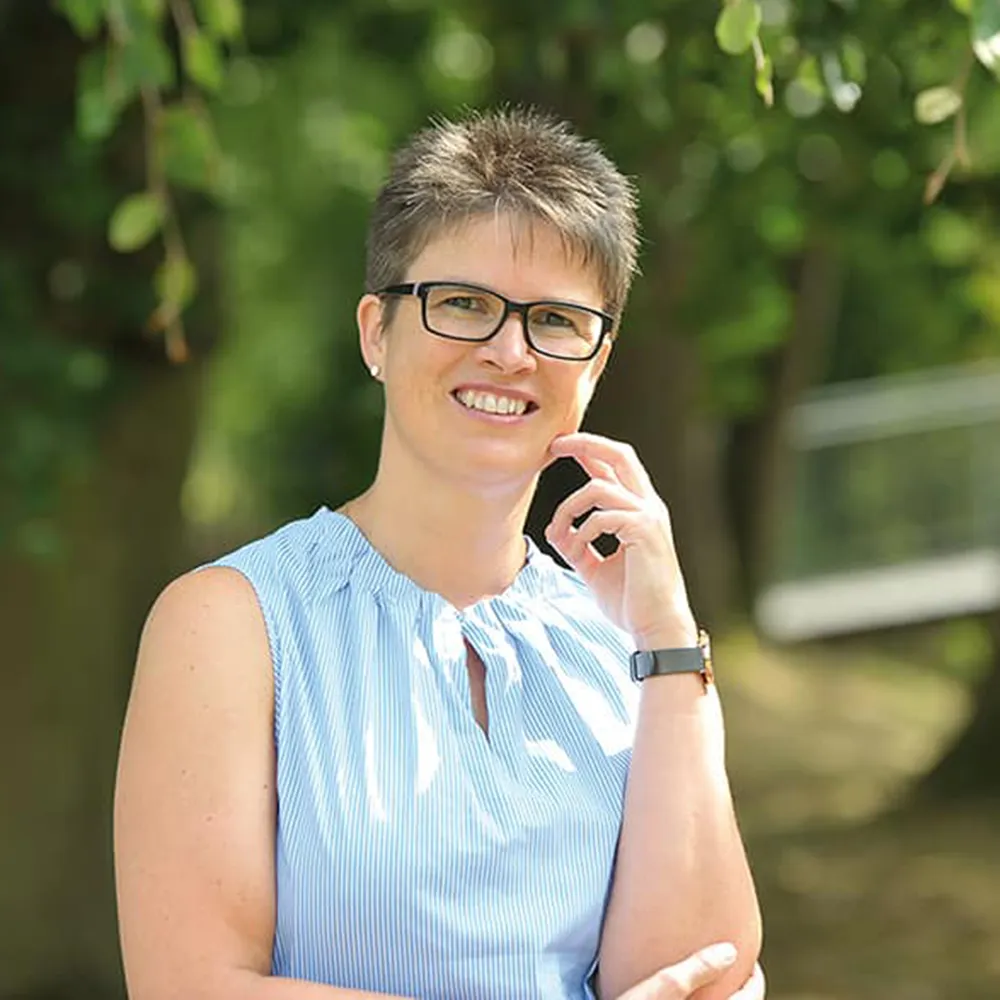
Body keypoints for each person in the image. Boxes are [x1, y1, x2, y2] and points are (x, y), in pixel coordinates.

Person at [113, 108, 763, 1000]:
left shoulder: (630, 650)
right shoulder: (231, 624)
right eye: (463, 304)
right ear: (377, 332)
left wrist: (671, 639)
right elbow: (189, 987)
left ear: (597, 361)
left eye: (557, 320)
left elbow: (704, 976)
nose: (508, 352)